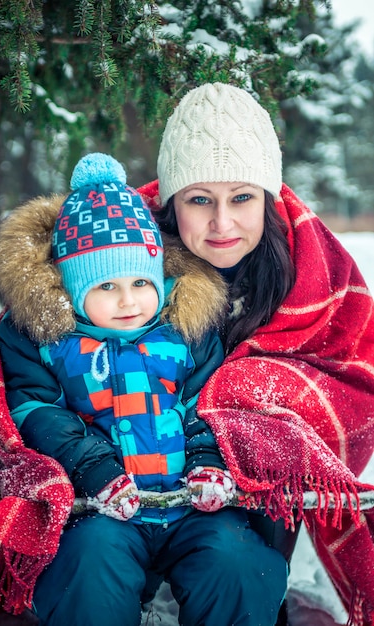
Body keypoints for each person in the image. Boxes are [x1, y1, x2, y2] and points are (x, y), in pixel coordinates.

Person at [0, 151, 288, 626]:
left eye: (140, 282)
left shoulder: (186, 330)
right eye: (105, 286)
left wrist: (208, 463)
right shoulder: (45, 342)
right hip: (100, 505)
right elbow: (37, 412)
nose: (128, 300)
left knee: (237, 563)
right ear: (70, 290)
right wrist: (93, 470)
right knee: (87, 569)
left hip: (188, 504)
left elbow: (209, 404)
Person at [135, 82, 374, 626]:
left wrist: (244, 395)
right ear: (173, 204)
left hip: (253, 503)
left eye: (242, 198)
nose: (223, 224)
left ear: (268, 199)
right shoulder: (125, 261)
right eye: (200, 200)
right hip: (137, 471)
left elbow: (352, 376)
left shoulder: (309, 267)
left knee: (258, 405)